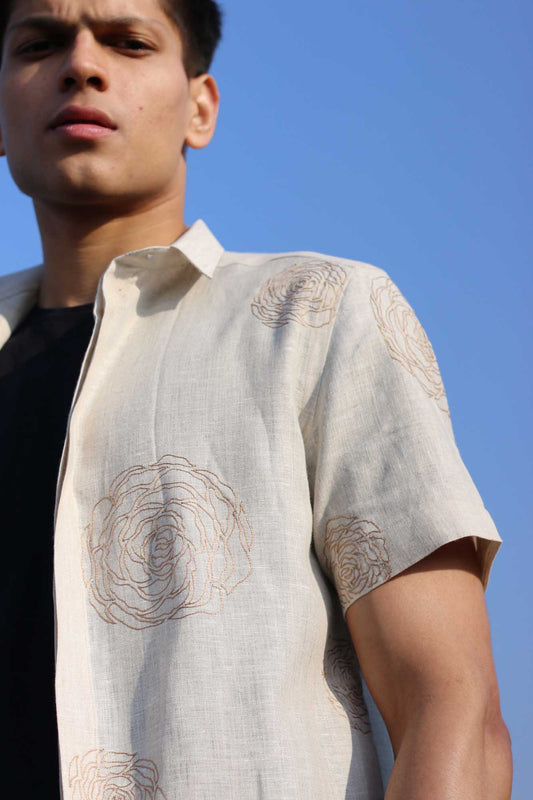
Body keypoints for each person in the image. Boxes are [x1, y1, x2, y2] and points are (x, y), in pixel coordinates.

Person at [0, 0, 513, 798]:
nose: (82, 65)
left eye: (128, 41)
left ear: (199, 106)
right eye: (39, 43)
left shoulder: (314, 316)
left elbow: (447, 705)